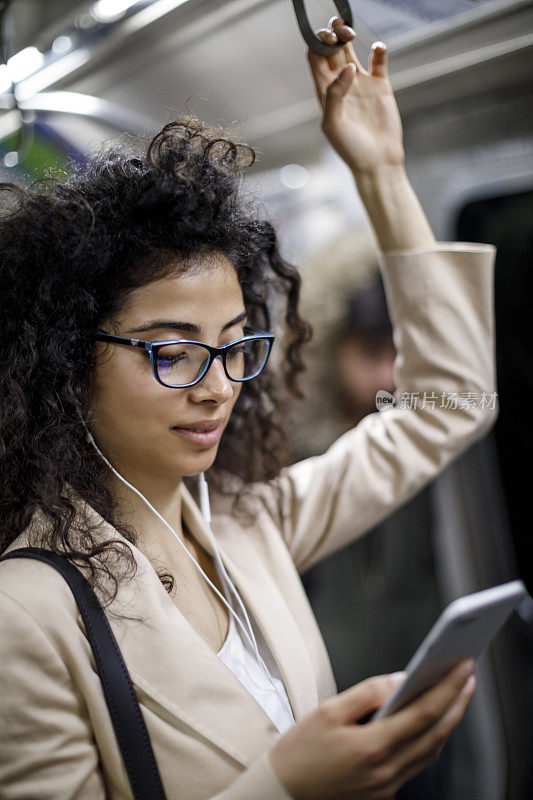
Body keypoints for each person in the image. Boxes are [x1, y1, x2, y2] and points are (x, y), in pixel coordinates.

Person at [0, 16, 498, 800]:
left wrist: (383, 174)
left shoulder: (242, 521)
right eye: (171, 351)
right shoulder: (25, 614)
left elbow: (452, 404)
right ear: (66, 364)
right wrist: (288, 784)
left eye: (234, 344)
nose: (217, 385)